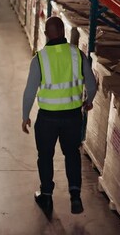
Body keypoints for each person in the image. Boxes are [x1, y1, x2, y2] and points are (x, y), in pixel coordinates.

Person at [21, 16, 97, 220]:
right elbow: (91, 84)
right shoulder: (77, 54)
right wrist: (89, 101)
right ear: (63, 31)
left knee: (45, 156)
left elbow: (29, 92)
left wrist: (25, 116)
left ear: (46, 34)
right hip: (72, 116)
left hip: (47, 118)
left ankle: (46, 195)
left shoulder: (40, 58)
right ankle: (75, 195)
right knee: (72, 154)